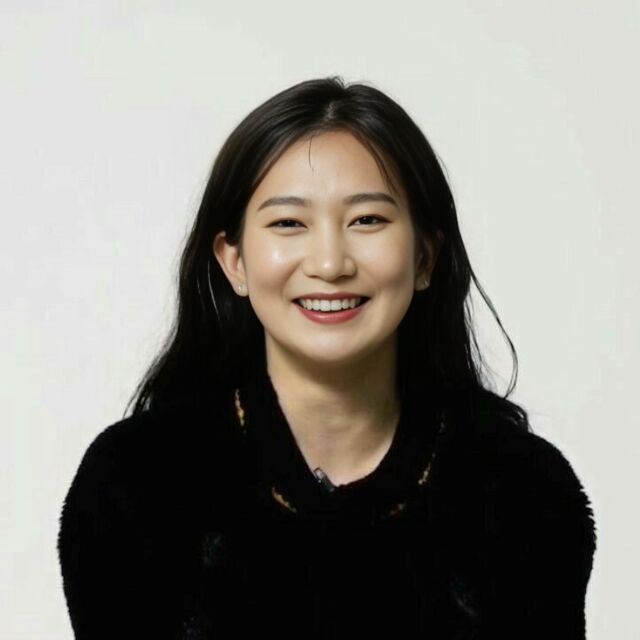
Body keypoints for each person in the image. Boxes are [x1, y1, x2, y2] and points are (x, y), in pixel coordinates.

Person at [57, 76, 597, 639]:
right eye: (288, 223)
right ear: (235, 262)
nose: (330, 263)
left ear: (424, 257)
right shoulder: (137, 483)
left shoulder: (522, 491)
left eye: (367, 220)